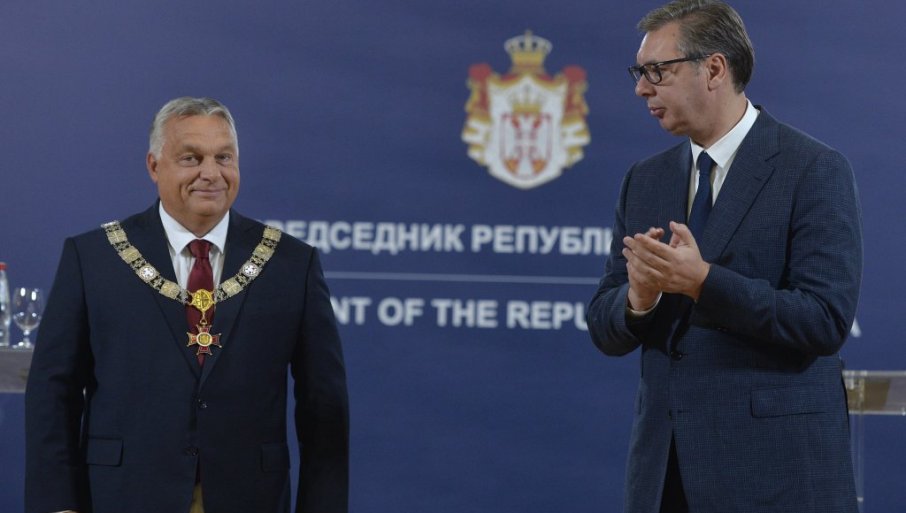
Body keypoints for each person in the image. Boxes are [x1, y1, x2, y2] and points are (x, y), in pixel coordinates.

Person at [586, 1, 862, 512]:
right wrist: (639, 299)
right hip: (666, 475)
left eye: (657, 71)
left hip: (776, 476)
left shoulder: (813, 169)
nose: (642, 89)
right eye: (639, 73)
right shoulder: (644, 179)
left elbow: (823, 321)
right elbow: (605, 324)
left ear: (713, 69)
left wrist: (703, 282)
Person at [25, 97, 349, 513]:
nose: (210, 173)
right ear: (154, 166)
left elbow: (324, 408)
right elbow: (53, 392)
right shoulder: (92, 258)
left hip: (251, 498)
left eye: (224, 157)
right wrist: (57, 505)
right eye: (191, 158)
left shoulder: (292, 264)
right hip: (122, 496)